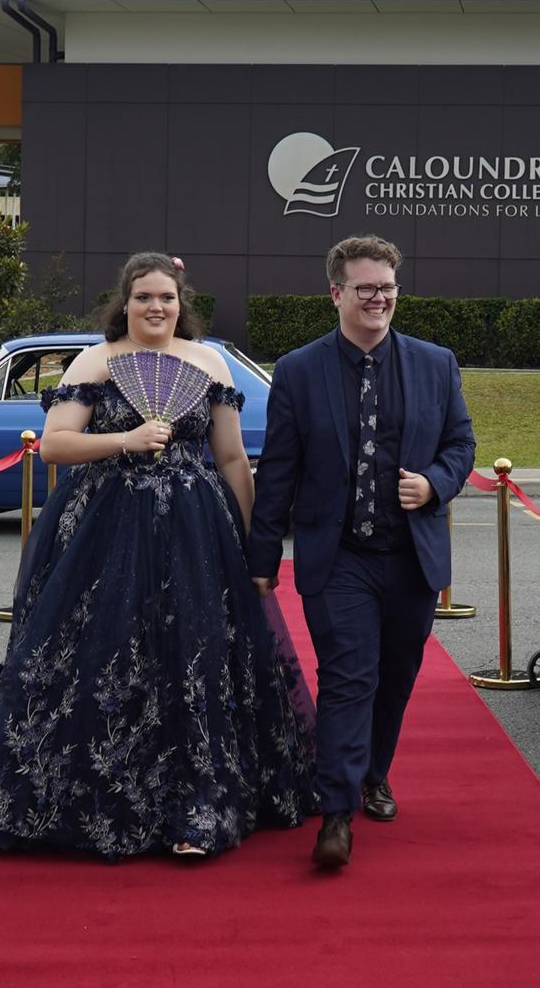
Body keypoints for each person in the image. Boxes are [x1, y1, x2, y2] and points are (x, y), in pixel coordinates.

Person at [0, 251, 316, 860]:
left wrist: (257, 548)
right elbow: (55, 446)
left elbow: (230, 460)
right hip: (107, 535)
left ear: (182, 304)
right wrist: (126, 438)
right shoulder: (98, 359)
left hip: (199, 535)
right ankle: (99, 799)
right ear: (125, 302)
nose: (156, 307)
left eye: (167, 297)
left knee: (196, 660)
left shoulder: (208, 362)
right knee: (107, 656)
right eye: (144, 296)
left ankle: (199, 807)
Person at [248, 235, 476, 869]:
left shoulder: (436, 363)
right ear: (336, 294)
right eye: (366, 288)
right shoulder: (298, 369)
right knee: (350, 677)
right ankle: (337, 811)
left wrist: (434, 482)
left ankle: (375, 773)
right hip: (337, 555)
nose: (379, 299)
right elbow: (280, 473)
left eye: (388, 288)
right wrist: (262, 557)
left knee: (396, 678)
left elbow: (462, 446)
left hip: (411, 558)